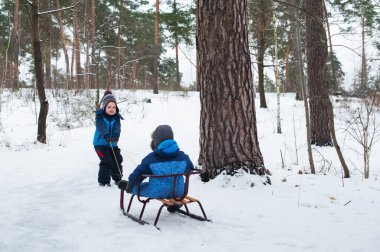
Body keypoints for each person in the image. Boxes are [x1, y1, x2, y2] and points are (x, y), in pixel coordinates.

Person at [118, 125, 194, 212]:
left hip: (157, 191)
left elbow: (139, 172)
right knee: (173, 185)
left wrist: (132, 182)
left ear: (155, 141)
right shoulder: (183, 156)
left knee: (139, 187)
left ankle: (128, 186)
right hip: (179, 191)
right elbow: (190, 169)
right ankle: (174, 205)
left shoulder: (151, 158)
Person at [93, 90, 124, 186]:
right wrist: (106, 135)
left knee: (117, 158)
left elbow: (117, 128)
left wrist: (116, 136)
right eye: (109, 107)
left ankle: (118, 179)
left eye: (114, 107)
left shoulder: (116, 117)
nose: (112, 109)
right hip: (100, 144)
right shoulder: (100, 117)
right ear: (104, 107)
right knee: (107, 160)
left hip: (112, 143)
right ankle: (104, 181)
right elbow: (101, 126)